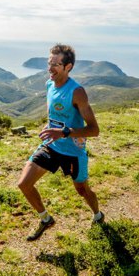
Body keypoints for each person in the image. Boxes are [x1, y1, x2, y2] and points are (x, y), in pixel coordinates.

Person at [17, 43, 104, 241]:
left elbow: (94, 130)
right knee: (24, 184)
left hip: (73, 151)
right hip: (51, 145)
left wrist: (64, 132)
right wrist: (49, 128)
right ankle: (46, 219)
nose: (50, 68)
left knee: (82, 190)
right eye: (49, 63)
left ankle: (98, 215)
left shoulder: (77, 92)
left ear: (68, 67)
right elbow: (55, 114)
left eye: (55, 64)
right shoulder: (49, 84)